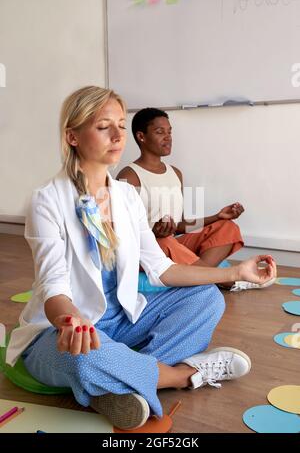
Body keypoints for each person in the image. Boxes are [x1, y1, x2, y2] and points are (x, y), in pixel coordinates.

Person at [6, 87, 276, 431]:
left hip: (122, 321)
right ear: (72, 136)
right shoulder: (47, 200)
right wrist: (70, 322)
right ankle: (181, 376)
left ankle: (119, 383)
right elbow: (54, 286)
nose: (119, 135)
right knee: (84, 356)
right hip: (65, 330)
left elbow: (162, 270)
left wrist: (236, 272)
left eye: (121, 124)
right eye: (105, 126)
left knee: (207, 299)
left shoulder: (126, 197)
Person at [117, 107, 273, 291]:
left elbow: (182, 225)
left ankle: (199, 277)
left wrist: (218, 216)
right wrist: (153, 233)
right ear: (141, 137)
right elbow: (122, 235)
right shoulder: (129, 176)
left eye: (169, 132)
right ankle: (230, 280)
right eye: (160, 132)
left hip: (173, 244)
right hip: (149, 250)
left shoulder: (176, 173)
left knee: (228, 227)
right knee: (164, 241)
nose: (168, 137)